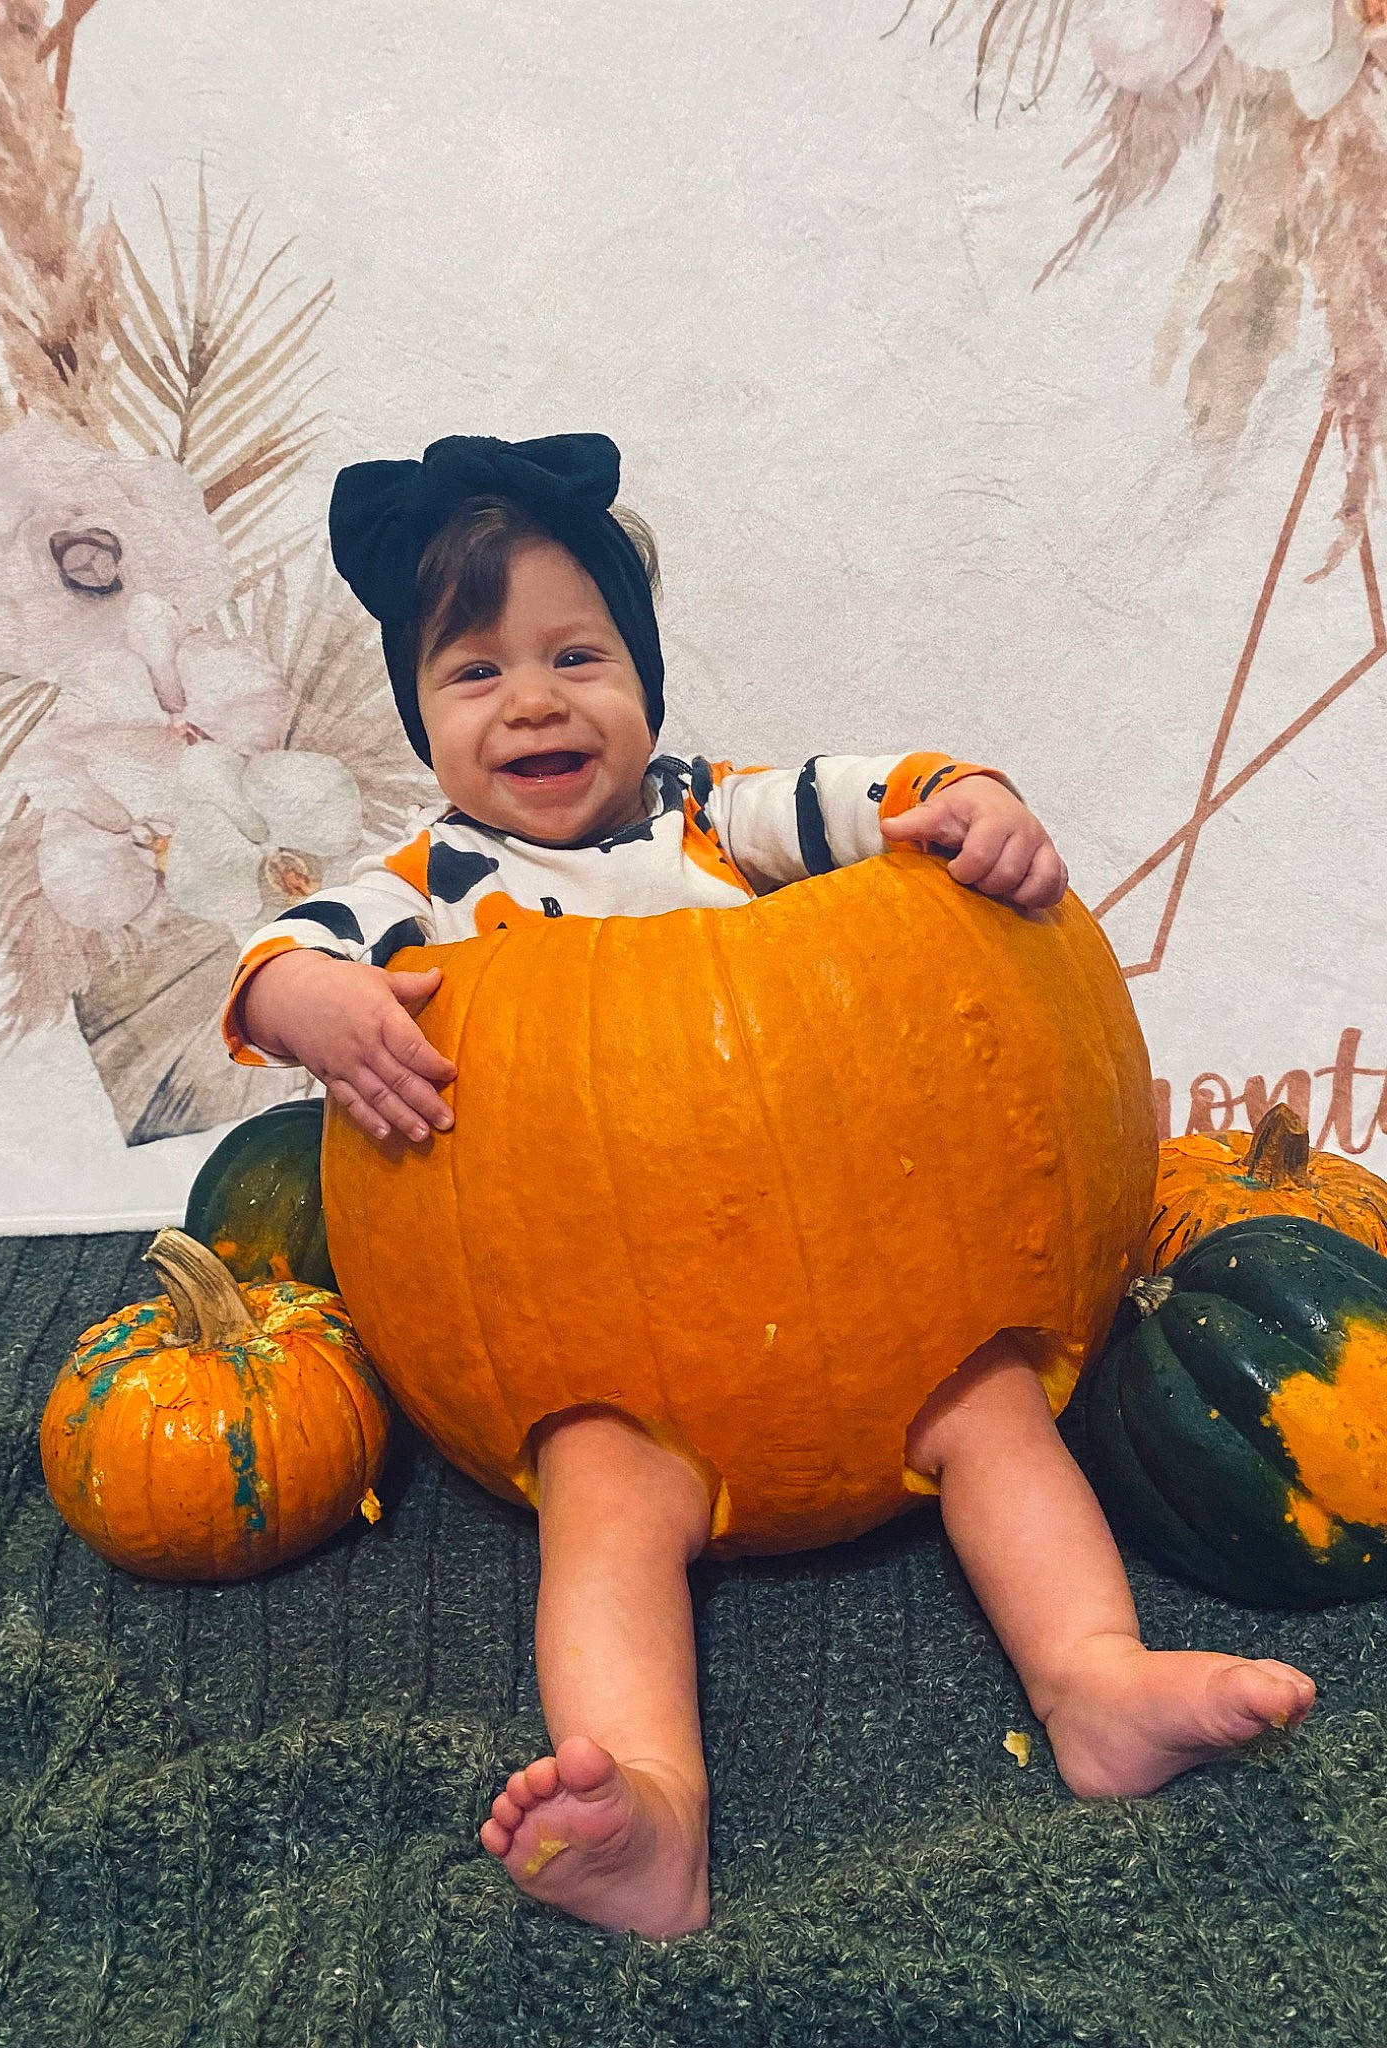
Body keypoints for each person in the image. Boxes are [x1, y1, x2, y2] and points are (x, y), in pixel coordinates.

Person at [221, 433, 1315, 1940]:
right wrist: (309, 1004)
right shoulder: (426, 886)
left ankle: (1095, 1681)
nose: (533, 700)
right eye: (475, 674)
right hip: (609, 1356)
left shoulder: (714, 813)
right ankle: (652, 1802)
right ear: (422, 718)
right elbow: (278, 955)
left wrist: (973, 799)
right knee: (598, 1497)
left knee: (994, 1410)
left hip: (872, 1321)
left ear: (644, 680)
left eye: (577, 656)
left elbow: (878, 794)